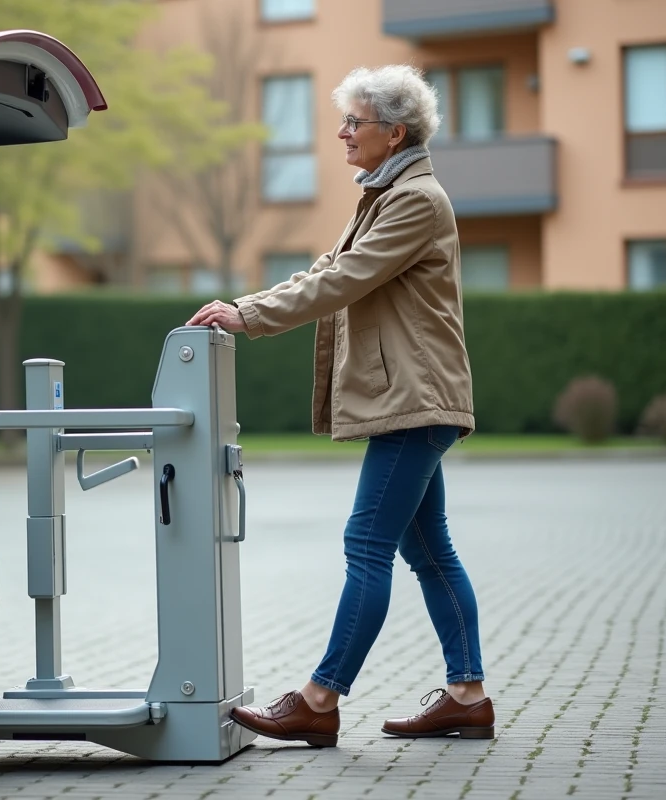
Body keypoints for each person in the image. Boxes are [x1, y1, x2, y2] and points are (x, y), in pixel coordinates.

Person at [187, 64, 493, 747]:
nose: (342, 133)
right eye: (345, 120)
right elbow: (325, 270)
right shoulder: (383, 195)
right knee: (429, 549)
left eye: (355, 122)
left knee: (367, 545)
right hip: (417, 397)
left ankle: (320, 700)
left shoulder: (415, 201)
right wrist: (246, 303)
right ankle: (467, 694)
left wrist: (249, 317)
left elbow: (347, 281)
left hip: (417, 399)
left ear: (396, 131)